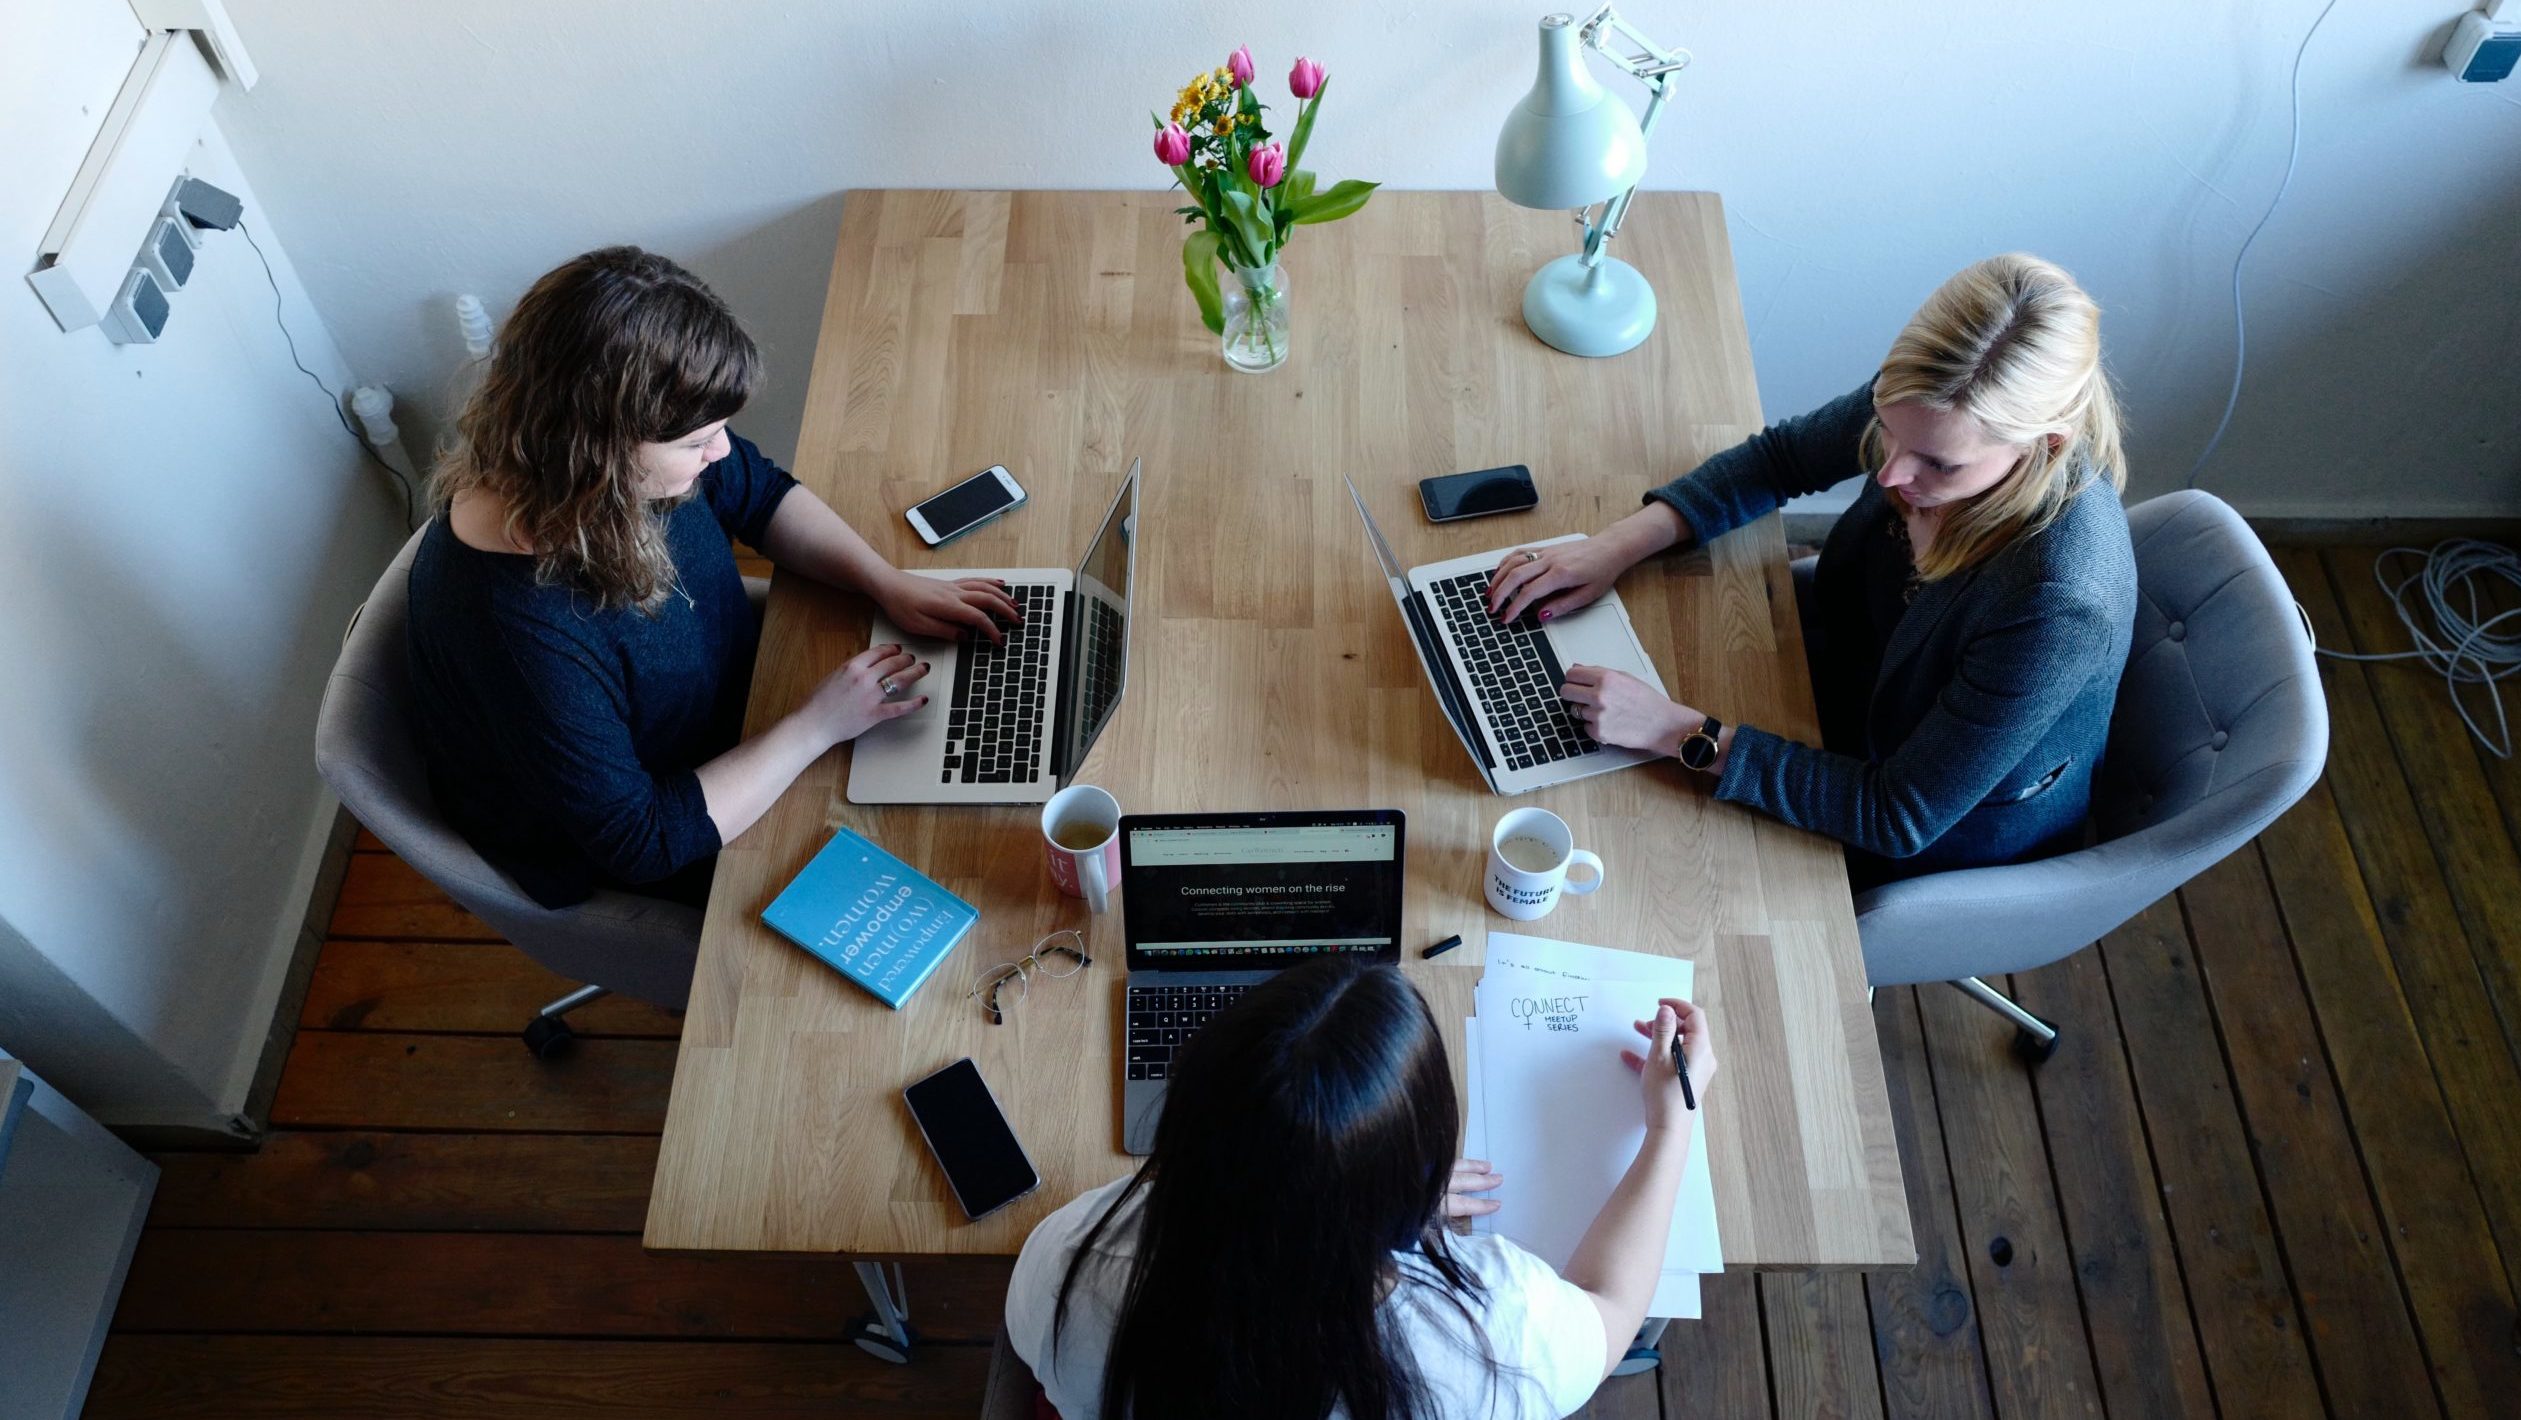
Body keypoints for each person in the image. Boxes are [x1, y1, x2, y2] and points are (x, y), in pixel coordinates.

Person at [1488, 253, 2136, 885]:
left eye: (1938, 465)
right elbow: (1782, 460)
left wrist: (1674, 730)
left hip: (1925, 833)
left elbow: (1896, 814)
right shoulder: (1929, 401)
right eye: (1887, 429)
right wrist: (1614, 546)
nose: (1890, 473)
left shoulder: (2056, 602)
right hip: (1838, 683)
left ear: (2044, 444)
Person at [406, 246, 1021, 909]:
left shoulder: (604, 473)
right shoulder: (514, 631)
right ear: (597, 449)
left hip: (750, 707)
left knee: (971, 780)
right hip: (674, 822)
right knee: (955, 862)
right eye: (697, 442)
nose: (720, 450)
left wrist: (883, 581)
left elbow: (759, 495)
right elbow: (640, 841)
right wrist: (816, 726)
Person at [1005, 957, 1717, 1420]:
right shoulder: (1495, 1339)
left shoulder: (1065, 1264)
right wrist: (1669, 1126)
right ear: (1411, 1199)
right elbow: (1610, 1310)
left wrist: (1345, 1186)